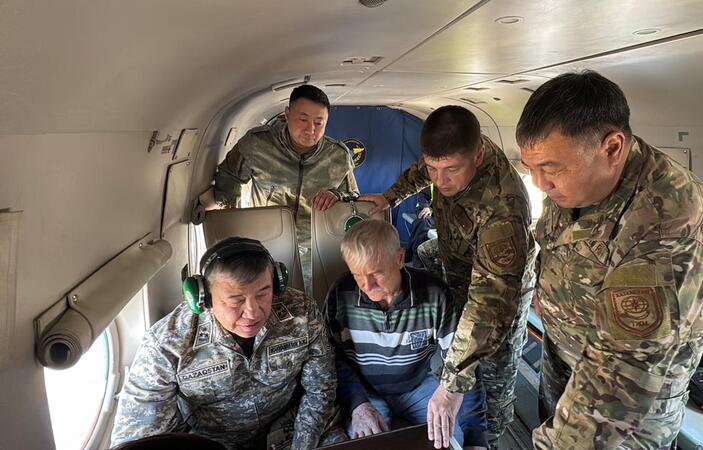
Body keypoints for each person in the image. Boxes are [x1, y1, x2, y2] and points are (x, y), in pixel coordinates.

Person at [516, 70, 703, 449]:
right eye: (530, 169)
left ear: (612, 148)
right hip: (566, 355)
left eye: (550, 168)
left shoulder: (669, 220)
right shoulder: (577, 183)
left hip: (631, 403)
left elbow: (625, 370)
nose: (540, 183)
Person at [360, 106, 532, 447]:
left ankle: (490, 440)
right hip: (459, 270)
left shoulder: (503, 208)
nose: (440, 181)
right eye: (434, 169)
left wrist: (452, 385)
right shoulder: (448, 153)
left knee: (491, 385)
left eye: (452, 170)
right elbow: (420, 172)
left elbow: (489, 303)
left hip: (498, 299)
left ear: (478, 154)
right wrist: (390, 197)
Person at [110, 237, 342, 450]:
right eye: (236, 300)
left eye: (263, 294)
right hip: (212, 444)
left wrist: (302, 446)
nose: (253, 312)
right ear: (204, 297)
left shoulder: (302, 312)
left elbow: (321, 388)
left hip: (290, 429)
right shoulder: (167, 343)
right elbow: (139, 438)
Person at [325, 219, 489, 450]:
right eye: (357, 275)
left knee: (453, 440)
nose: (367, 285)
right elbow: (333, 359)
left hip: (417, 386)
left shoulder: (434, 295)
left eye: (376, 273)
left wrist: (475, 435)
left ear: (400, 258)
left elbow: (462, 363)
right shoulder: (340, 294)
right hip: (366, 391)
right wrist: (357, 403)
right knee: (366, 444)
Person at [211, 84, 359, 295]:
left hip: (315, 250)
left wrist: (336, 195)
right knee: (269, 301)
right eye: (303, 120)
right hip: (266, 245)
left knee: (314, 303)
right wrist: (230, 219)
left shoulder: (338, 156)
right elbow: (229, 176)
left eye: (319, 123)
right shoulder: (257, 145)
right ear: (287, 114)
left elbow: (353, 197)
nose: (311, 129)